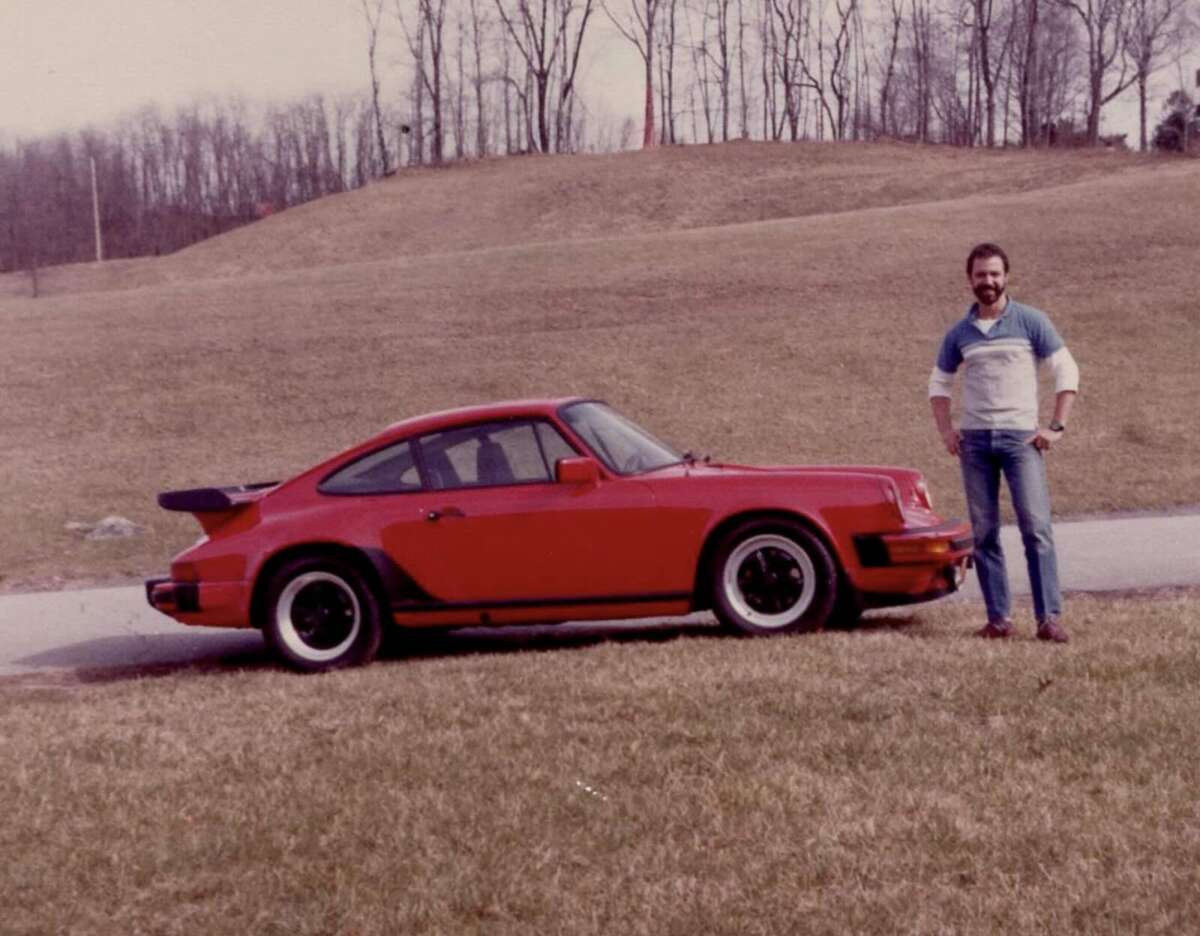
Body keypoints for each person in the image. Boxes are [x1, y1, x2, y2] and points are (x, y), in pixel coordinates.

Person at [928, 243, 1079, 642]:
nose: (988, 282)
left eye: (995, 274)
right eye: (981, 275)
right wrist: (947, 430)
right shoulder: (960, 333)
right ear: (970, 280)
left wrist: (1056, 427)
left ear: (1005, 276)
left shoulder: (1031, 321)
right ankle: (999, 620)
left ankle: (1048, 619)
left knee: (1037, 529)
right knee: (985, 533)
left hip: (1021, 441)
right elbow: (938, 384)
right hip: (975, 445)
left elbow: (1066, 370)